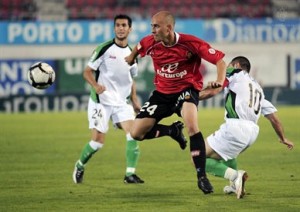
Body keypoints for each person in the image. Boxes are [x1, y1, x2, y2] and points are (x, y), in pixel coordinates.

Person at [125, 11, 227, 194]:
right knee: (136, 133)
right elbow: (138, 46)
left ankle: (201, 176)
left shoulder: (191, 43)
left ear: (169, 28)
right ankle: (171, 130)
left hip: (185, 90)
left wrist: (219, 80)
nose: (152, 30)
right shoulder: (150, 42)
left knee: (192, 127)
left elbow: (219, 60)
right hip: (161, 94)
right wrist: (131, 58)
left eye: (156, 26)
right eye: (151, 26)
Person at [199, 56, 294, 199]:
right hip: (252, 132)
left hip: (235, 127)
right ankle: (233, 185)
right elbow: (274, 119)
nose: (226, 68)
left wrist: (193, 96)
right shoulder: (258, 89)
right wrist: (283, 138)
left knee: (197, 155)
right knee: (230, 155)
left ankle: (235, 176)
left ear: (236, 65)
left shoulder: (234, 73)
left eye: (229, 65)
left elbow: (217, 86)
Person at [73, 14, 145, 184]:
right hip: (101, 101)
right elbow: (87, 72)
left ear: (130, 29)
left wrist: (134, 100)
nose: (121, 28)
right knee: (97, 142)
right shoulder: (104, 49)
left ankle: (129, 175)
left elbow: (131, 78)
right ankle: (80, 165)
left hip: (121, 102)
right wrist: (95, 86)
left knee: (134, 133)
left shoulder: (132, 53)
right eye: (118, 25)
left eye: (124, 25)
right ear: (114, 28)